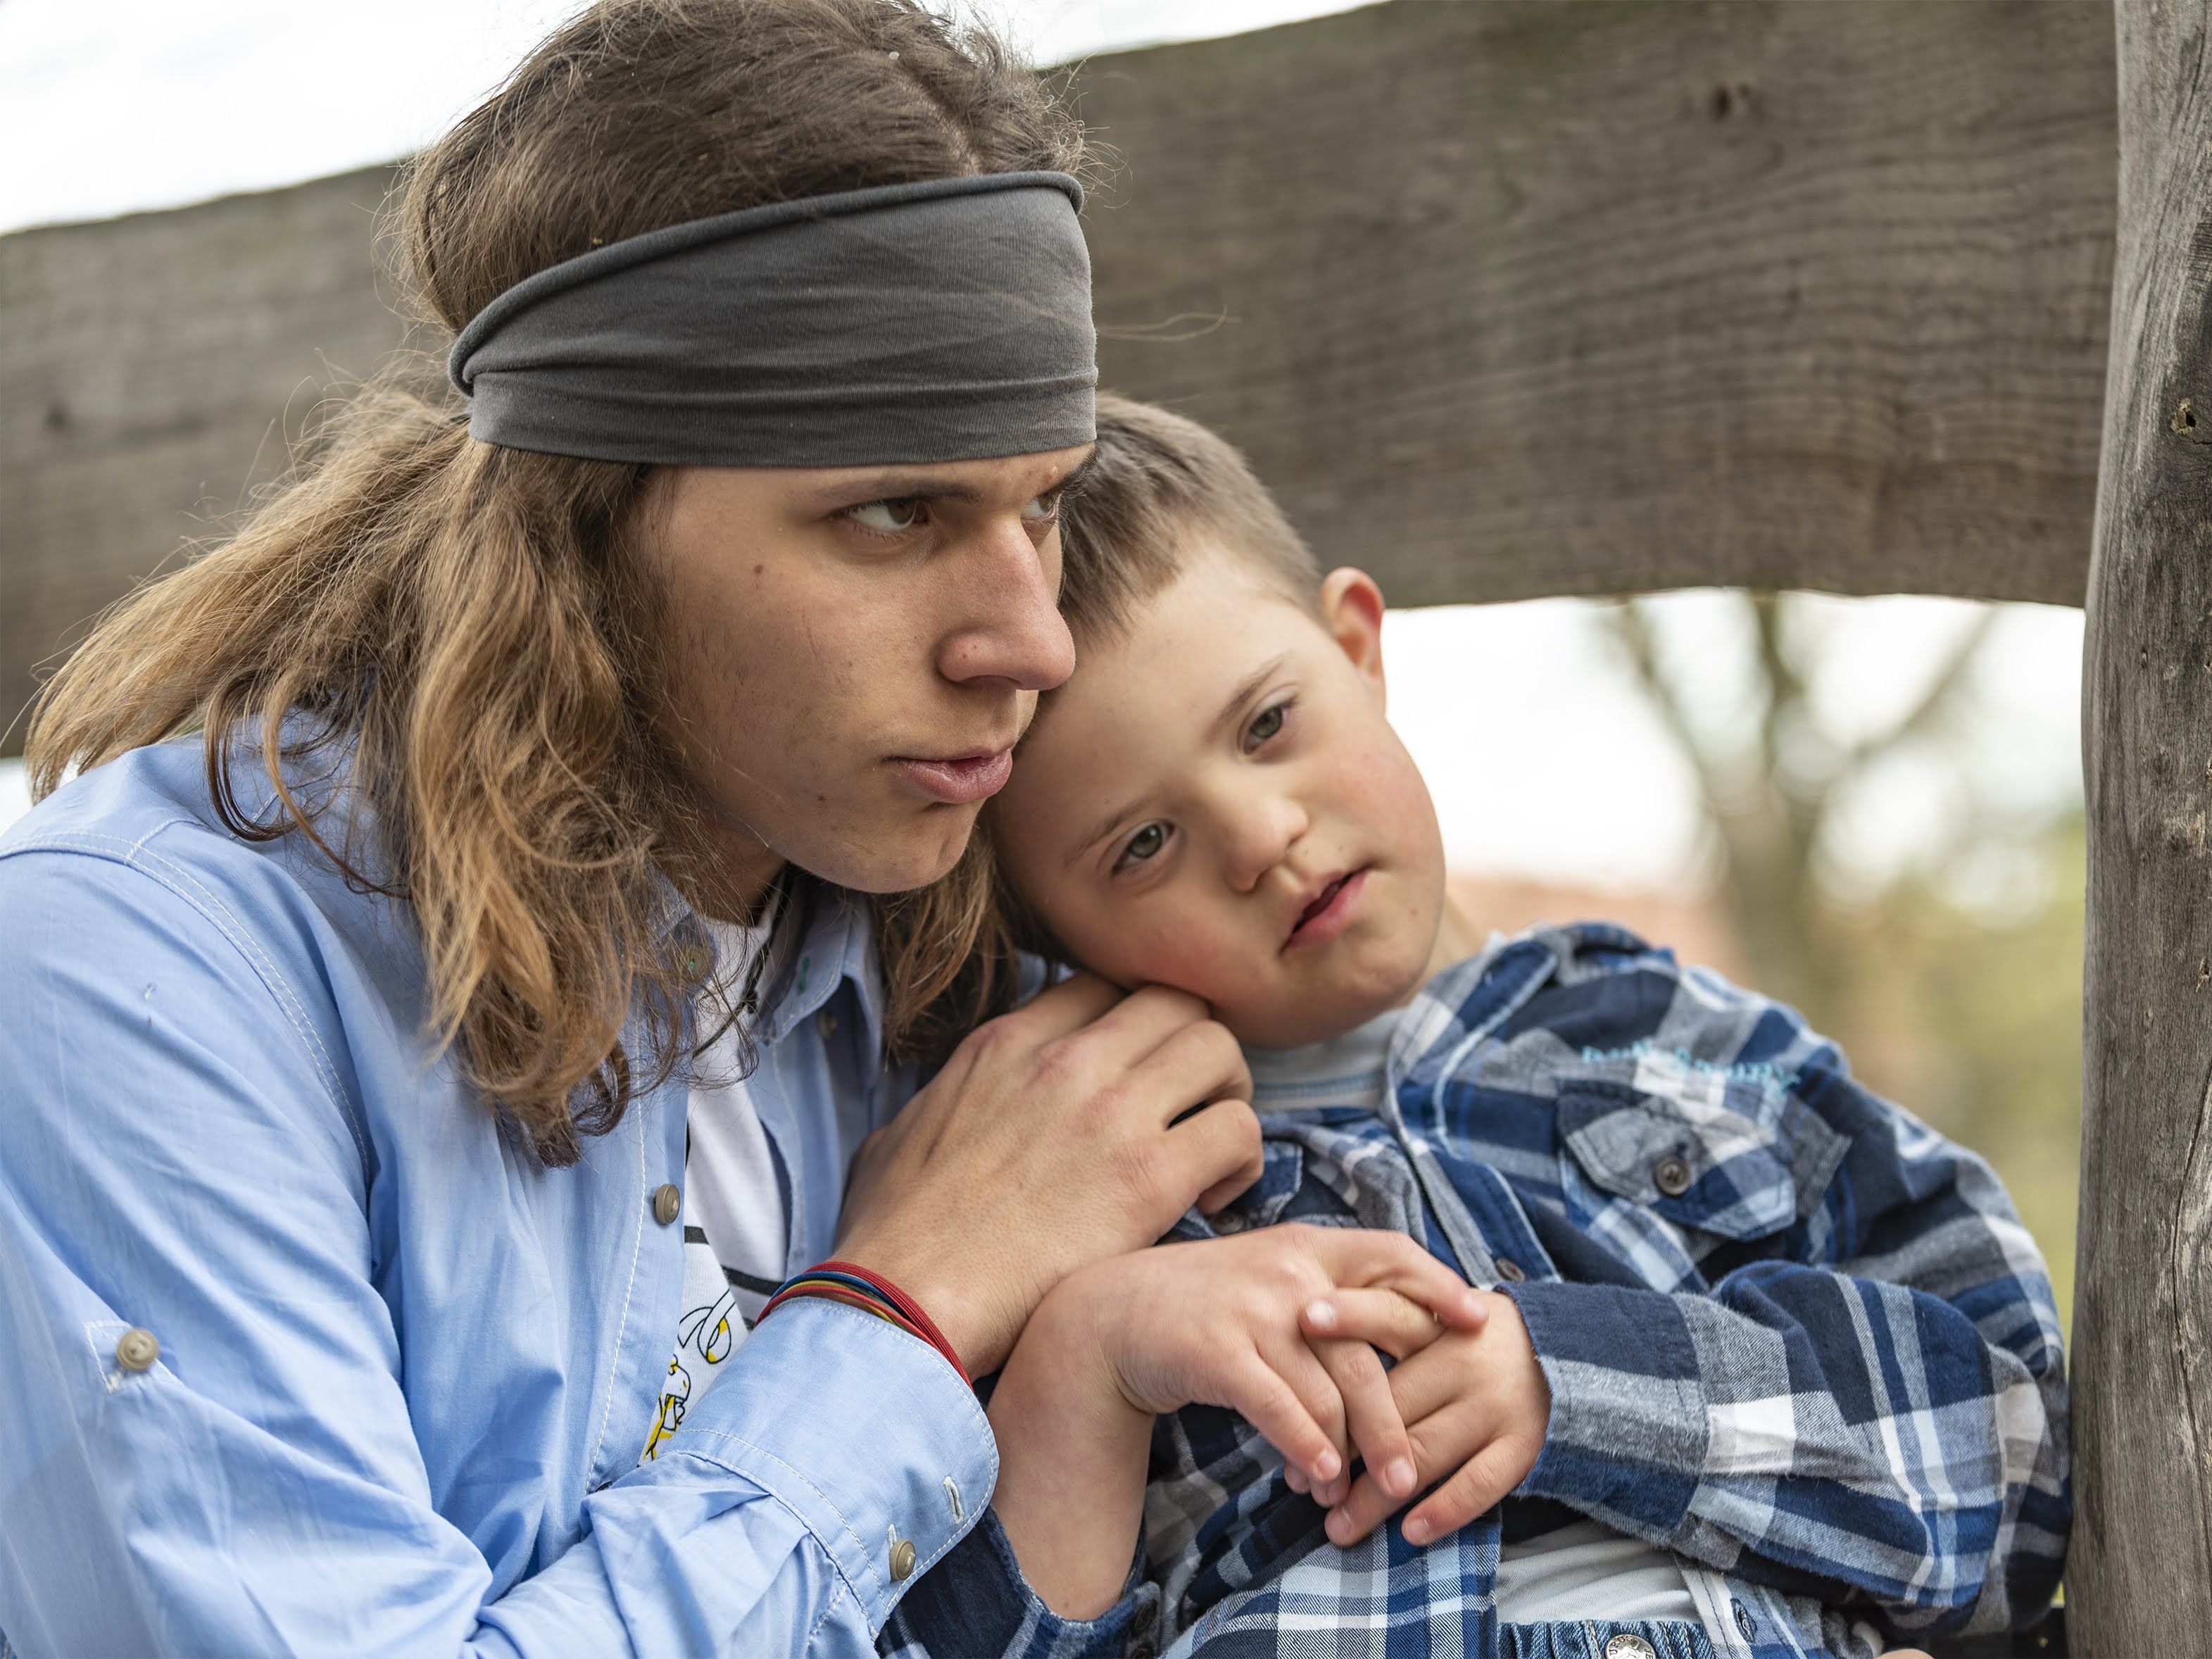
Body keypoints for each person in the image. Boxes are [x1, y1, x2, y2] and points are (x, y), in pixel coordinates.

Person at [0, 8, 1485, 1656]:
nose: (1031, 641)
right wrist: (902, 1311)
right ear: (580, 525)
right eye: (890, 513)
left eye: (1040, 504)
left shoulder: (966, 951)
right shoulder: (143, 979)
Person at [881, 397, 2067, 1659]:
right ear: (1044, 929)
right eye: (1143, 844)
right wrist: (1091, 1359)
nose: (1259, 837)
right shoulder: (1069, 1212)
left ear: (1357, 648)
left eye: (1268, 725)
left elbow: (2019, 1469)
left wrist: (1582, 1384)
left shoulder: (1678, 1043)